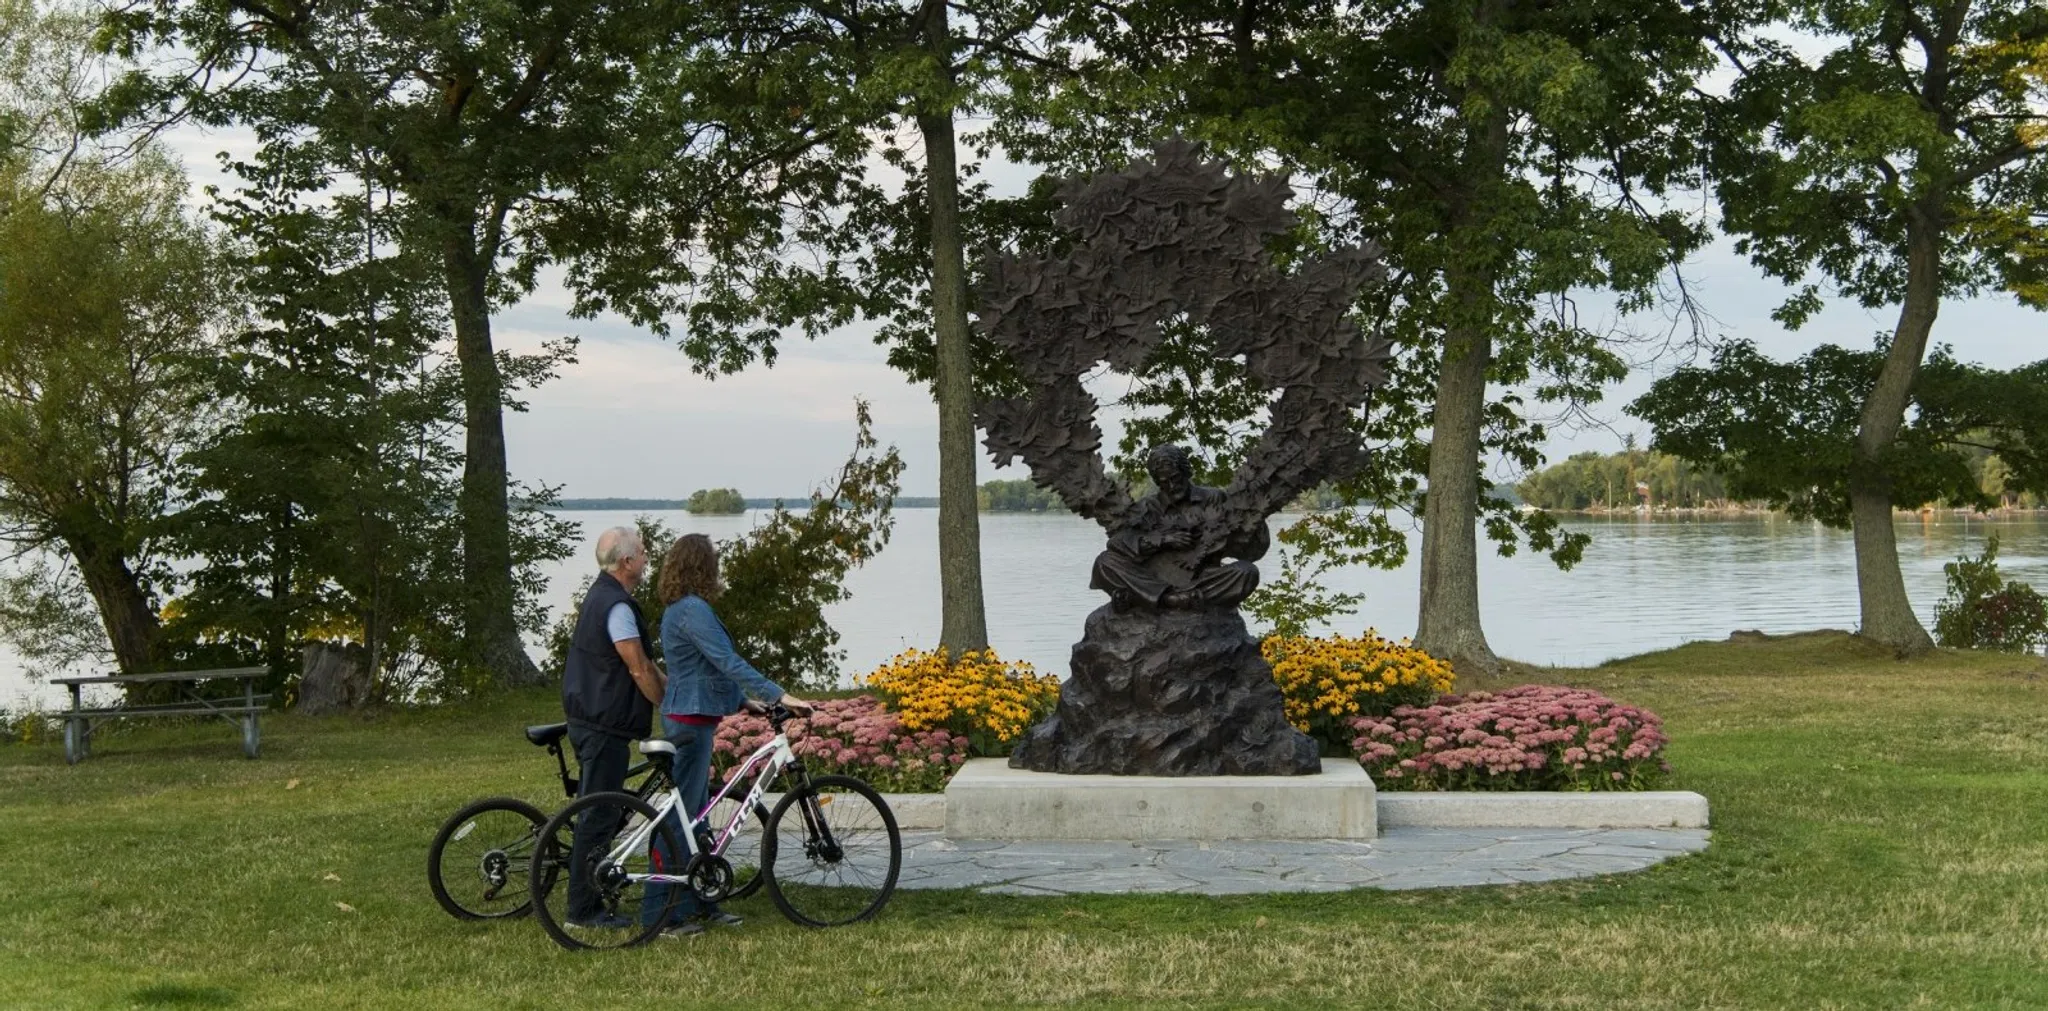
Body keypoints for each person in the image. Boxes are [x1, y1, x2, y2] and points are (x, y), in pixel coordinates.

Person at [641, 533, 814, 938]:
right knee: (681, 820)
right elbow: (725, 660)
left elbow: (704, 667)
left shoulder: (683, 609)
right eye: (714, 561)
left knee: (697, 818)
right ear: (702, 566)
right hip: (689, 721)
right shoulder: (692, 609)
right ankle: (661, 914)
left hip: (695, 717)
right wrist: (778, 694)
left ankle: (701, 901)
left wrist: (742, 702)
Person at [560, 526, 666, 931]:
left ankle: (585, 894)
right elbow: (638, 667)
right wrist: (665, 702)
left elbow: (647, 667)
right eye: (641, 552)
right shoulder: (618, 607)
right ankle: (583, 911)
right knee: (598, 815)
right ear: (626, 562)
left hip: (589, 716)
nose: (645, 557)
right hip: (603, 724)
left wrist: (669, 686)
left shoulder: (600, 595)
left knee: (597, 811)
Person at [1090, 444, 1267, 610]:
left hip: (1203, 578)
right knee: (1104, 562)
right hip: (1155, 579)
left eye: (1175, 478)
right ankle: (1170, 599)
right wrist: (1164, 541)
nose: (1172, 486)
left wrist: (1254, 520)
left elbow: (1251, 553)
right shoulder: (1148, 507)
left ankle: (1149, 599)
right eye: (1164, 482)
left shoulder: (1214, 498)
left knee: (1247, 571)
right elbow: (1117, 544)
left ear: (1186, 471)